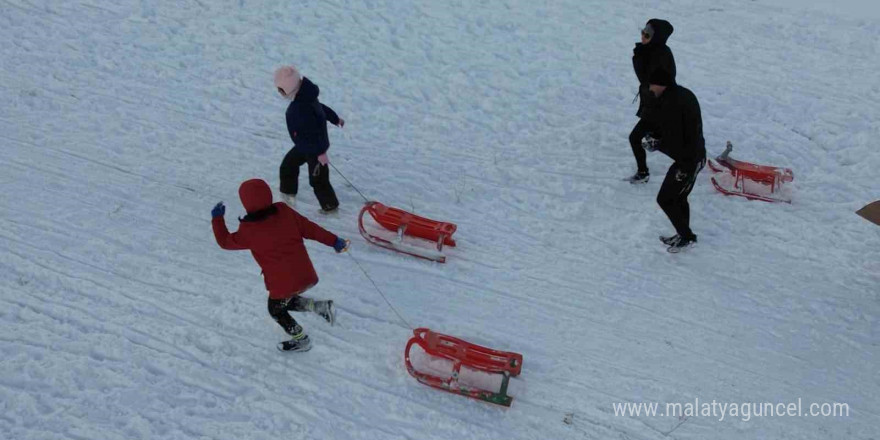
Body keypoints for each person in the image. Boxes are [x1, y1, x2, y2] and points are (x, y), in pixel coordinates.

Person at [211, 178, 351, 351]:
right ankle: (320, 307)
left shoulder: (249, 230)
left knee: (276, 309)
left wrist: (217, 220)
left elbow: (225, 242)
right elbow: (312, 229)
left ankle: (301, 339)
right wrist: (335, 241)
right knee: (284, 301)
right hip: (306, 274)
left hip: (283, 283)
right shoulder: (284, 211)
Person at [640, 69, 706, 253]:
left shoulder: (672, 103)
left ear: (661, 84)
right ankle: (684, 234)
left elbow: (676, 139)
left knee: (665, 199)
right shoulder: (682, 94)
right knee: (679, 196)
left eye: (652, 84)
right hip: (693, 156)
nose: (650, 88)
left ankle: (687, 237)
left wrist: (656, 145)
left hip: (689, 161)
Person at [274, 65, 345, 212]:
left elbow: (316, 128)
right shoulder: (306, 97)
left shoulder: (301, 106)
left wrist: (320, 153)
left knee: (318, 180)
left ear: (289, 88)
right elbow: (322, 109)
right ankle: (288, 194)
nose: (279, 93)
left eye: (281, 89)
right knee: (288, 165)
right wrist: (335, 118)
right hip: (304, 146)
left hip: (316, 150)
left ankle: (330, 206)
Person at [627, 19, 676, 184]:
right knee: (658, 139)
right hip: (653, 103)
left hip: (660, 106)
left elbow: (654, 82)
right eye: (643, 31)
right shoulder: (650, 51)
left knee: (635, 138)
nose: (643, 35)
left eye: (647, 34)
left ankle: (643, 173)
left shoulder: (660, 55)